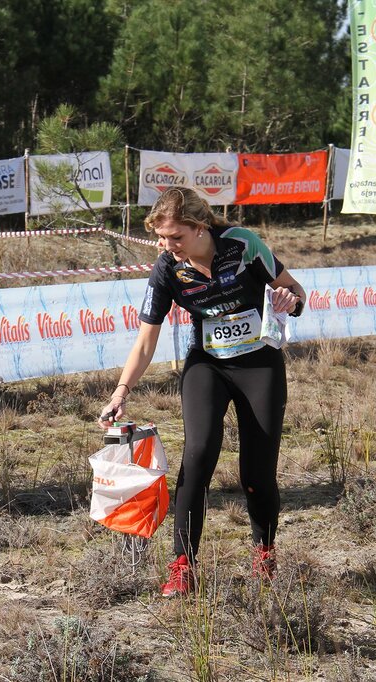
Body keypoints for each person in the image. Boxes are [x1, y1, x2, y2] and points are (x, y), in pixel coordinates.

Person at [97, 187, 305, 597]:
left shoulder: (243, 245)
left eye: (175, 236)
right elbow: (144, 342)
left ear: (200, 227)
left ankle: (264, 552)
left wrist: (288, 301)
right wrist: (121, 391)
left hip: (259, 362)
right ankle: (182, 566)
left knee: (257, 472)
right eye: (161, 238)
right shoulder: (167, 269)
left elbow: (296, 293)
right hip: (207, 363)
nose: (167, 246)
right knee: (197, 456)